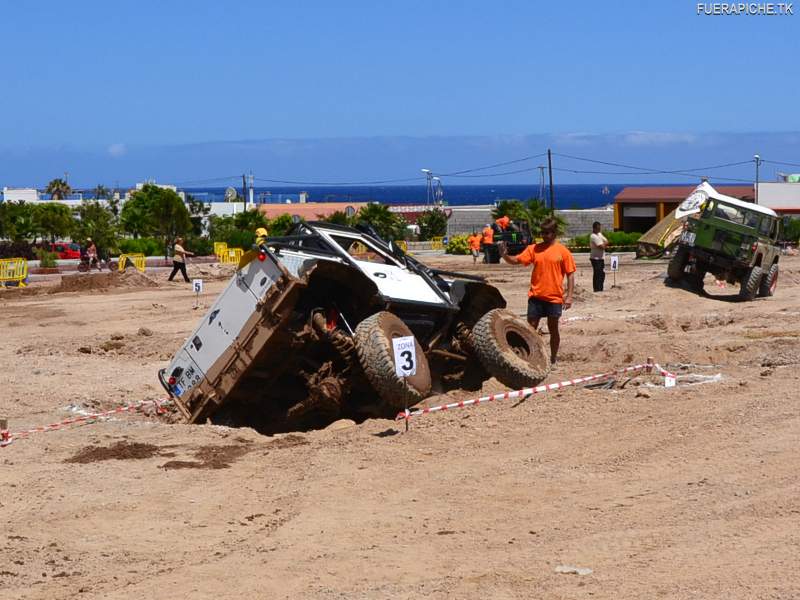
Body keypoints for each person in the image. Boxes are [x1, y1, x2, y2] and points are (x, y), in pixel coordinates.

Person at [499, 217, 576, 366]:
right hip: (536, 297)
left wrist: (570, 296)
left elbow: (570, 274)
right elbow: (516, 261)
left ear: (554, 233)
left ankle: (553, 359)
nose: (544, 236)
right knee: (530, 330)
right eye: (542, 233)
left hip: (554, 298)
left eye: (547, 233)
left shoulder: (563, 251)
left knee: (553, 329)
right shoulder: (534, 249)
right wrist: (504, 255)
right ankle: (530, 358)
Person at [589, 221, 609, 292]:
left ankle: (600, 288)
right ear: (594, 228)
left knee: (602, 274)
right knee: (597, 274)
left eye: (599, 228)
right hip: (595, 258)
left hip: (601, 258)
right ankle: (597, 289)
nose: (599, 230)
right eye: (598, 228)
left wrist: (604, 243)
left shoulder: (599, 234)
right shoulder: (593, 236)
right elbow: (602, 246)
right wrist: (604, 244)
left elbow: (607, 241)